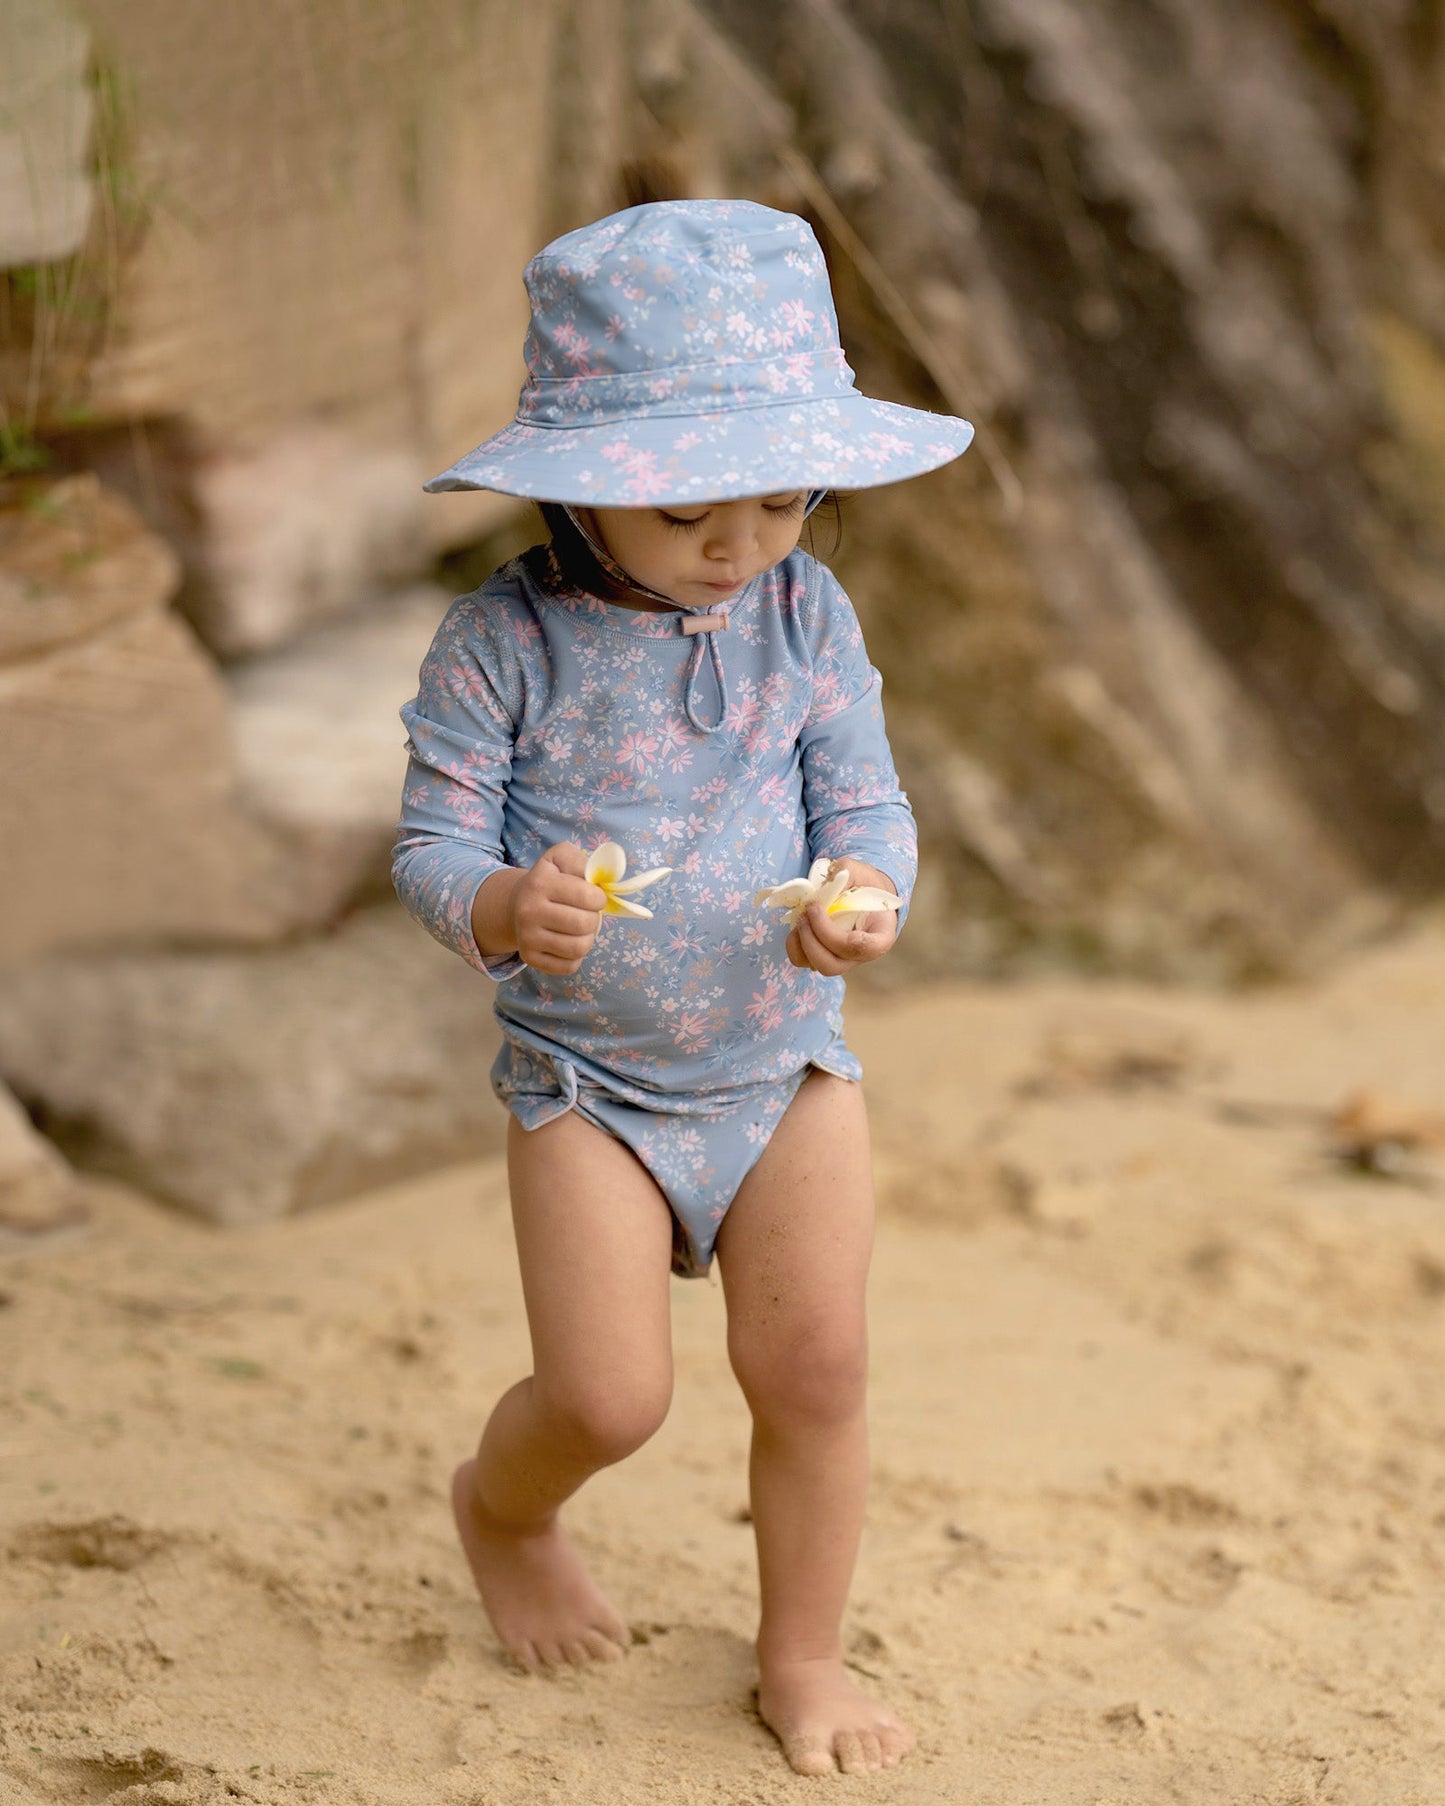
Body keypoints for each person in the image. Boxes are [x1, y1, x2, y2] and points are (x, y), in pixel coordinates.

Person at [392, 198, 973, 1777]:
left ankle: (801, 1654)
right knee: (606, 1396)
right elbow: (432, 841)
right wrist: (507, 902)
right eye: (688, 510)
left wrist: (864, 895)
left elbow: (864, 802)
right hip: (592, 1086)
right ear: (582, 488)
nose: (740, 544)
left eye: (782, 499)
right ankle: (502, 1509)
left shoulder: (805, 612)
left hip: (782, 1066)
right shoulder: (503, 641)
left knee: (817, 1367)